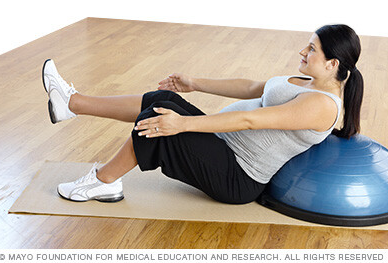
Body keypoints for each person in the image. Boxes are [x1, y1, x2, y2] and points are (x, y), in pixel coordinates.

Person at [42, 24, 363, 204]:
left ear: (332, 64)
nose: (302, 52)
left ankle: (104, 181)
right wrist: (194, 84)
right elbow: (253, 86)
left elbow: (249, 121)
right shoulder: (310, 82)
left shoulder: (322, 105)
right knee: (164, 98)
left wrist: (182, 124)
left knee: (158, 117)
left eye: (311, 49)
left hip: (237, 176)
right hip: (225, 150)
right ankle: (72, 104)